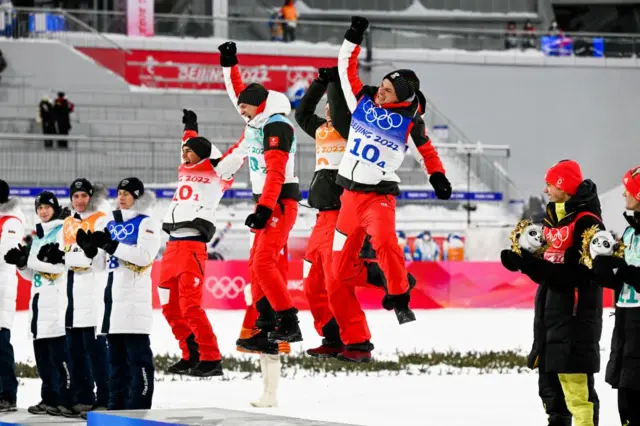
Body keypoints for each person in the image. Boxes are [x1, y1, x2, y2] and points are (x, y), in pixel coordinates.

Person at [332, 16, 452, 361]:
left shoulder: (410, 123)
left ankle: (400, 298)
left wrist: (437, 176)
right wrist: (352, 36)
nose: (380, 89)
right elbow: (345, 68)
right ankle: (387, 279)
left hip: (377, 198)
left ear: (400, 96)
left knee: (385, 243)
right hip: (348, 199)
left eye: (387, 89)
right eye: (381, 84)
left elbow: (427, 151)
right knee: (340, 271)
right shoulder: (363, 102)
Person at [295, 66, 417, 359]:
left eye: (331, 105)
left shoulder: (353, 129)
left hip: (342, 211)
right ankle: (333, 334)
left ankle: (357, 340)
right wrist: (321, 83)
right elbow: (301, 115)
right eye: (325, 106)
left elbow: (342, 111)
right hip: (320, 215)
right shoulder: (323, 130)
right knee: (312, 281)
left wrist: (337, 83)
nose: (327, 110)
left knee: (335, 280)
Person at [501, 160, 603, 426]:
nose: (545, 189)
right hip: (550, 324)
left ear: (564, 186)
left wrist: (533, 265)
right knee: (552, 399)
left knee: (578, 399)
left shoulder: (588, 223)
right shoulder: (553, 220)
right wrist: (520, 259)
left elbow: (578, 277)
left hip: (574, 325)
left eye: (549, 184)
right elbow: (546, 269)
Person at [218, 40, 303, 345]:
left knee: (265, 262)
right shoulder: (256, 119)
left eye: (244, 107)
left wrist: (265, 208)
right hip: (265, 201)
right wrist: (229, 62)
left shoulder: (276, 126)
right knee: (256, 263)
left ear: (258, 104)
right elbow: (237, 90)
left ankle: (289, 321)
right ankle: (266, 324)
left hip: (278, 201)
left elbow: (276, 173)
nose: (240, 110)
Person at [159, 109, 243, 377]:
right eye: (183, 151)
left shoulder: (219, 172)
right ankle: (190, 353)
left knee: (190, 308)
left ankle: (211, 359)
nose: (184, 154)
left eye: (189, 151)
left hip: (192, 248)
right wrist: (190, 125)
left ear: (202, 153)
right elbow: (188, 143)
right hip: (172, 246)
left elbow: (240, 150)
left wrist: (256, 125)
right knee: (170, 307)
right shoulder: (185, 165)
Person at [80, 178, 160, 412]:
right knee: (115, 361)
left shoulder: (147, 223)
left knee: (138, 358)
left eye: (127, 193)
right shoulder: (109, 223)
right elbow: (100, 266)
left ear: (137, 197)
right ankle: (117, 404)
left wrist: (113, 246)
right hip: (112, 301)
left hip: (135, 300)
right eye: (119, 193)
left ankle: (140, 404)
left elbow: (145, 256)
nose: (121, 197)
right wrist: (91, 251)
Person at [37, 178, 111, 417]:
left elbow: (96, 261)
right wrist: (55, 257)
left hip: (92, 291)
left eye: (84, 196)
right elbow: (63, 256)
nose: (79, 201)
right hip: (69, 293)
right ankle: (82, 399)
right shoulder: (68, 223)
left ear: (91, 196)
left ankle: (104, 398)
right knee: (75, 351)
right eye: (75, 196)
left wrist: (65, 258)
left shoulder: (101, 219)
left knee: (95, 350)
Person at [5, 192, 72, 415]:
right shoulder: (39, 234)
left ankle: (64, 398)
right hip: (39, 302)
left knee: (58, 356)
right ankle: (48, 397)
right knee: (43, 356)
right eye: (39, 208)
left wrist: (32, 261)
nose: (43, 211)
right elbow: (33, 274)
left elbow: (61, 267)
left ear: (54, 208)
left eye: (46, 207)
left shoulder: (63, 230)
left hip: (56, 300)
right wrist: (22, 265)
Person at [592, 166, 640, 426]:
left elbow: (632, 274)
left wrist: (624, 270)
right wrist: (602, 270)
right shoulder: (631, 231)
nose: (624, 195)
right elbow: (622, 279)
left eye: (629, 190)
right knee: (625, 403)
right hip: (625, 323)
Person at [0, 179, 25, 412]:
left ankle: (8, 394)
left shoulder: (11, 221)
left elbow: (4, 255)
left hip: (2, 287)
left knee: (1, 343)